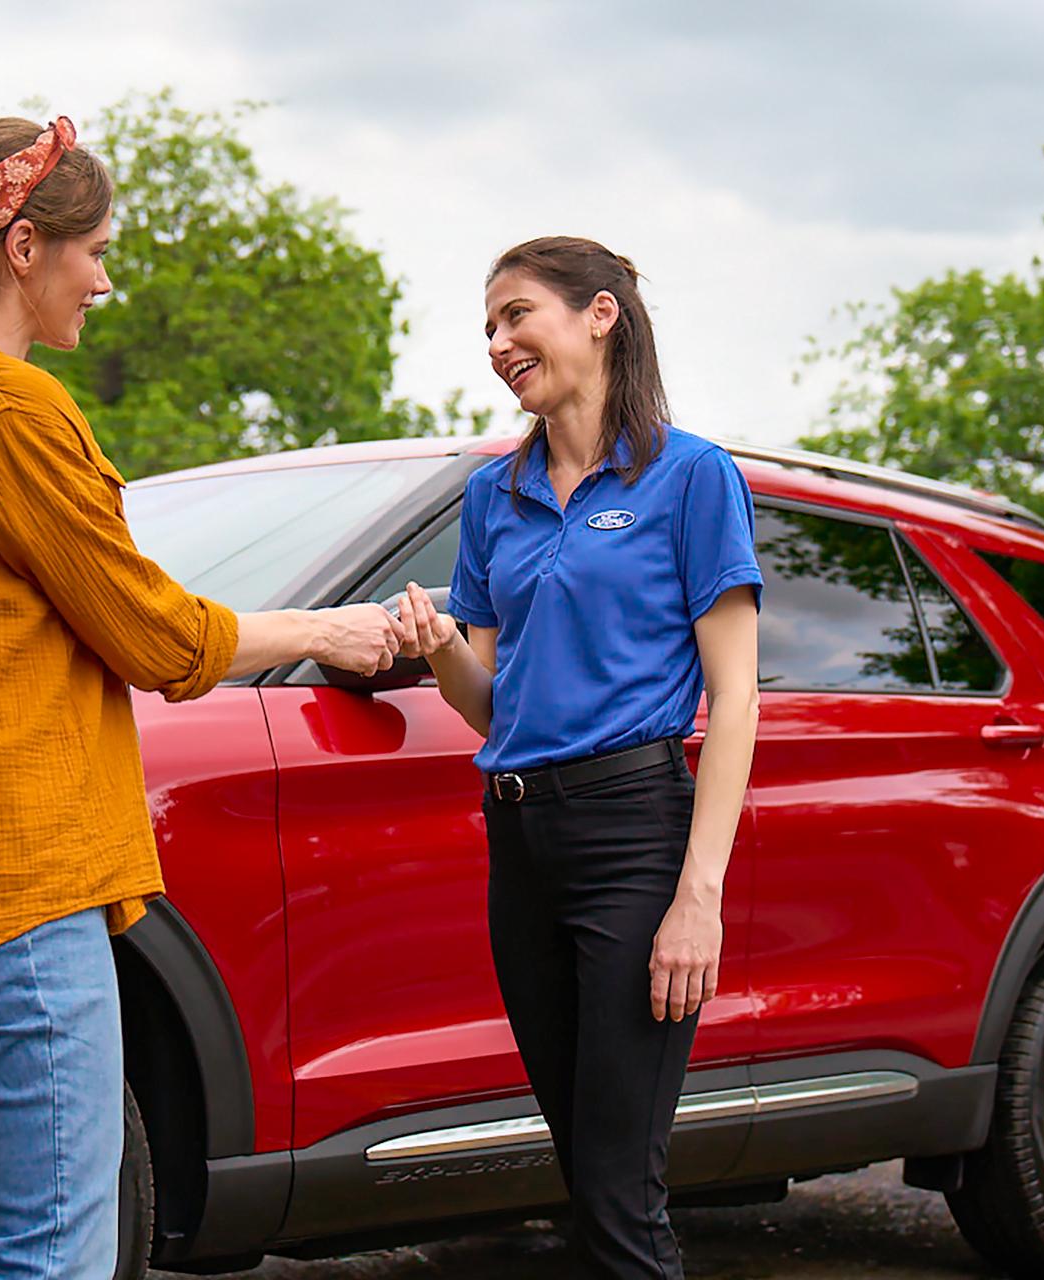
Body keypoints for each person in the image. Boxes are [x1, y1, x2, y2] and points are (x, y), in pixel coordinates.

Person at [0, 115, 399, 1280]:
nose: (106, 277)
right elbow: (153, 632)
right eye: (95, 250)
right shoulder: (7, 409)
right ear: (24, 246)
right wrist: (330, 628)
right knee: (50, 1256)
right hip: (23, 892)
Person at [394, 236, 763, 1278]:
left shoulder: (690, 476)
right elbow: (490, 701)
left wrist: (700, 894)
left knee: (617, 1190)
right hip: (520, 840)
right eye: (489, 328)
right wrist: (433, 647)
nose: (501, 342)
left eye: (518, 315)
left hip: (632, 837)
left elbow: (734, 696)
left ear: (600, 314)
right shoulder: (492, 493)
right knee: (583, 1165)